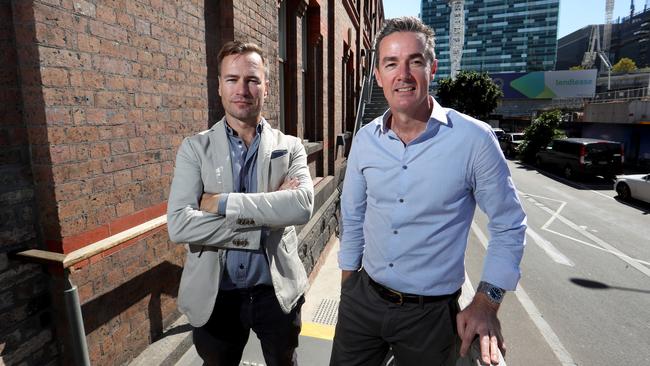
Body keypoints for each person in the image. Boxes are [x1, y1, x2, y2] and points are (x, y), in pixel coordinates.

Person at [330, 17, 527, 366]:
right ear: (378, 75)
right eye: (391, 63)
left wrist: (486, 302)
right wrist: (348, 284)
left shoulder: (474, 140)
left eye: (415, 61)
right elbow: (354, 214)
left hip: (431, 317)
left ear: (432, 68)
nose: (402, 74)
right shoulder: (364, 141)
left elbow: (509, 224)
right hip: (363, 302)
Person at [167, 40, 314, 366]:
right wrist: (267, 215)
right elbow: (179, 225)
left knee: (283, 361)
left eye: (252, 79)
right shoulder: (194, 149)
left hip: (275, 293)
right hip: (216, 295)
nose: (242, 89)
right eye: (232, 79)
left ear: (266, 86)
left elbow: (302, 205)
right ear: (219, 86)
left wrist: (221, 203)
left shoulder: (290, 147)